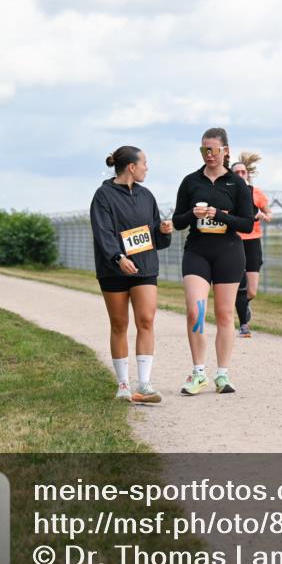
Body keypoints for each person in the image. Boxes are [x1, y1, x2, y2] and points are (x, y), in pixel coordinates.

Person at [171, 127, 254, 395]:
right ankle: (198, 373)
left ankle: (222, 374)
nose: (209, 154)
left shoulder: (236, 184)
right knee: (195, 312)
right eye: (204, 150)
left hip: (228, 252)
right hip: (198, 252)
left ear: (225, 151)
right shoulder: (191, 181)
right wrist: (192, 215)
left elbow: (247, 224)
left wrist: (219, 214)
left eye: (213, 150)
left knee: (225, 314)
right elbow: (177, 221)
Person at [90, 146, 173, 404]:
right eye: (145, 163)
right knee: (119, 324)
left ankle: (144, 385)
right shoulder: (103, 195)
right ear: (132, 167)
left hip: (144, 267)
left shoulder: (146, 195)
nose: (147, 168)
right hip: (113, 269)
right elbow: (103, 232)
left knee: (146, 320)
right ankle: (123, 385)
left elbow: (155, 237)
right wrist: (118, 258)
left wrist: (163, 231)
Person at [231, 152, 272, 338]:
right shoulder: (228, 194)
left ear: (247, 174)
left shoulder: (256, 193)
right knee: (240, 286)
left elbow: (269, 214)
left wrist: (264, 216)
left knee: (251, 291)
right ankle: (244, 325)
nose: (240, 175)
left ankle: (244, 306)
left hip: (253, 242)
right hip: (235, 241)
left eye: (243, 172)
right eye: (236, 173)